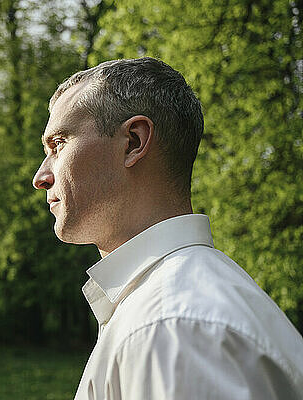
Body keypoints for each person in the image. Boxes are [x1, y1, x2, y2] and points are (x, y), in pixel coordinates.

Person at [32, 57, 303, 400]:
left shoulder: (172, 325)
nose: (40, 178)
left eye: (58, 144)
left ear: (133, 142)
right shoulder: (178, 306)